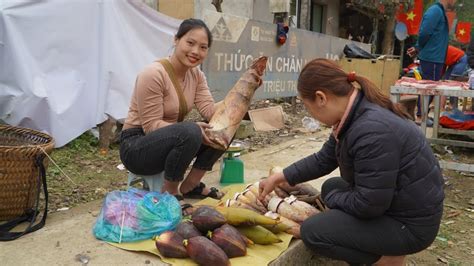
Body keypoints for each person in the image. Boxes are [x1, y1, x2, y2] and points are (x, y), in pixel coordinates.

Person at [258, 59, 444, 265]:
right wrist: (281, 176)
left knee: (314, 231)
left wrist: (334, 200)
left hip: (410, 225)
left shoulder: (370, 131)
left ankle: (386, 259)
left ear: (321, 98)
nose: (311, 114)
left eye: (307, 107)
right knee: (331, 187)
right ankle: (380, 246)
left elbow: (369, 205)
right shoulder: (354, 114)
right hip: (397, 204)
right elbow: (323, 159)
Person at [120, 19, 224, 209]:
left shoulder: (196, 75)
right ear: (176, 40)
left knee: (223, 127)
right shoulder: (153, 74)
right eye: (190, 43)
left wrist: (243, 94)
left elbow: (210, 111)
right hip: (137, 147)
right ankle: (170, 191)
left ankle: (191, 185)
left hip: (169, 141)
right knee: (191, 131)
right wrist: (190, 130)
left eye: (203, 47)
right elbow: (151, 127)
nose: (195, 52)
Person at [407, 0, 456, 123]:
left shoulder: (439, 11)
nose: (455, 2)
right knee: (429, 88)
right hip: (432, 57)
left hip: (435, 57)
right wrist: (419, 47)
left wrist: (418, 47)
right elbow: (424, 32)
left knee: (430, 87)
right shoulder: (435, 11)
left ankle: (422, 114)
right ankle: (420, 116)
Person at [442, 45, 468, 109]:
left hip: (461, 60)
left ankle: (453, 106)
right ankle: (441, 105)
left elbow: (441, 64)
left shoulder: (440, 49)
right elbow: (443, 65)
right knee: (444, 80)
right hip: (454, 62)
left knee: (452, 83)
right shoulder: (440, 48)